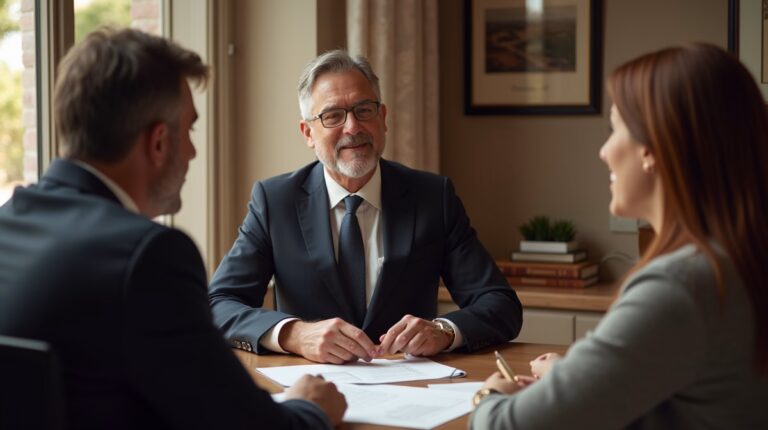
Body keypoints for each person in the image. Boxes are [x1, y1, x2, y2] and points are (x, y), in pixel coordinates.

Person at [0, 28, 346, 429]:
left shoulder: (8, 223)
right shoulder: (148, 256)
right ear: (159, 142)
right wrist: (311, 408)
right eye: (190, 130)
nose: (194, 152)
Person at [470, 43, 768, 429]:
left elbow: (508, 426)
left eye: (615, 129)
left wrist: (490, 396)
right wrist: (579, 376)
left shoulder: (679, 286)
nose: (604, 151)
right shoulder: (740, 259)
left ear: (652, 148)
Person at [208, 50, 522, 364]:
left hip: (413, 392)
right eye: (333, 115)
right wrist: (295, 334)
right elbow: (218, 304)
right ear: (308, 133)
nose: (352, 127)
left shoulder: (432, 197)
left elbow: (500, 304)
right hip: (308, 389)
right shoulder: (275, 201)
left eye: (364, 109)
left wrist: (444, 331)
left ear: (383, 118)